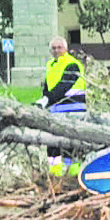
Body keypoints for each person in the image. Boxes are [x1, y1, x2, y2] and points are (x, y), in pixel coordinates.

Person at [35, 36, 86, 176]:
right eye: (53, 48)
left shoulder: (72, 64)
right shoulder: (50, 65)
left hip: (73, 109)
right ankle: (55, 175)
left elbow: (63, 86)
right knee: (52, 144)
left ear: (66, 49)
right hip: (55, 110)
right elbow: (48, 86)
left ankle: (73, 175)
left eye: (59, 47)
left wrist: (46, 99)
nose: (56, 50)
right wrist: (44, 99)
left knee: (72, 144)